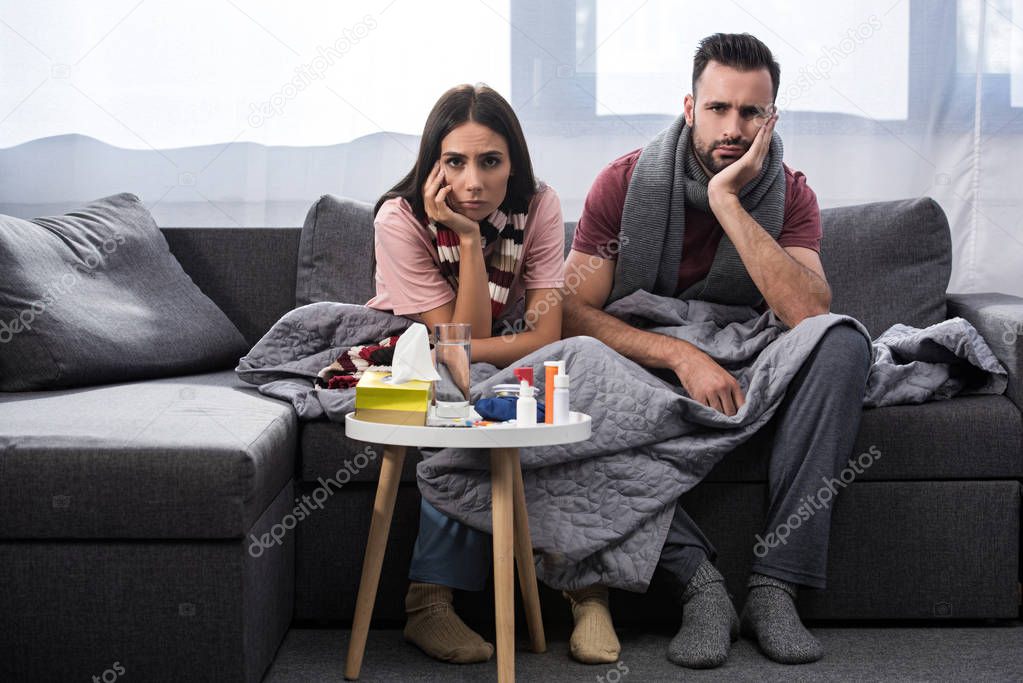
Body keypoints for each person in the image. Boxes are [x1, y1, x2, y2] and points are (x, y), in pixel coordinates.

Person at [561, 33, 871, 668]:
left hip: (750, 353)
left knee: (842, 342)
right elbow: (568, 312)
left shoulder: (791, 193)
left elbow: (807, 312)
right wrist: (680, 356)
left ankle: (774, 588)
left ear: (771, 118)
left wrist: (728, 201)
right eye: (719, 108)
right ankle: (699, 587)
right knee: (565, 373)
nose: (734, 126)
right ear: (688, 107)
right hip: (649, 363)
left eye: (751, 112)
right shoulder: (622, 185)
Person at [367, 84, 614, 665]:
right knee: (468, 392)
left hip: (493, 352)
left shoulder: (541, 206)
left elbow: (548, 336)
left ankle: (590, 592)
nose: (473, 182)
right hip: (419, 351)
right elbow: (454, 345)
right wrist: (470, 240)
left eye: (490, 162)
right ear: (433, 165)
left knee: (581, 373)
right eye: (455, 162)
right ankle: (429, 602)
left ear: (513, 165)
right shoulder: (399, 219)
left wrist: (514, 349)